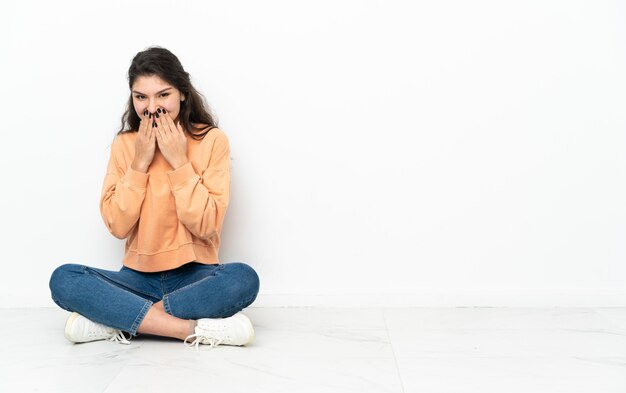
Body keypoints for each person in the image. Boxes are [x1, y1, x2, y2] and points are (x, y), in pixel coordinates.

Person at [48, 46, 260, 350]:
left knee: (243, 278)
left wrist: (179, 162)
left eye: (163, 95)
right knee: (64, 279)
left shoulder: (212, 140)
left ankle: (118, 320)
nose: (152, 107)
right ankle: (188, 329)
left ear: (183, 93)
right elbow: (118, 225)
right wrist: (139, 164)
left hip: (196, 277)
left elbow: (207, 224)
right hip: (136, 280)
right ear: (132, 97)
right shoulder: (125, 145)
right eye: (141, 97)